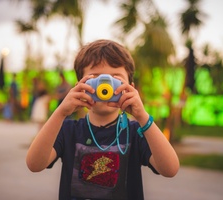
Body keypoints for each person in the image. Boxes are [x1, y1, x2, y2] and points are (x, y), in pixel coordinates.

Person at [26, 39, 179, 200]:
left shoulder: (135, 132)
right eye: (96, 77)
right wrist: (60, 112)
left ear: (131, 88)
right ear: (79, 86)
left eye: (115, 78)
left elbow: (170, 169)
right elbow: (34, 165)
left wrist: (142, 116)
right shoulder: (68, 130)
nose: (105, 85)